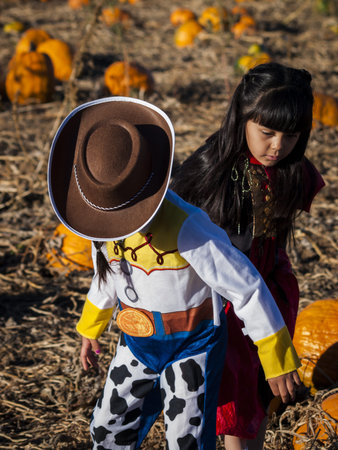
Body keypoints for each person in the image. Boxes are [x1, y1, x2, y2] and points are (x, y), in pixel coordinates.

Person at [47, 96, 302, 450]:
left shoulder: (188, 228)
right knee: (107, 428)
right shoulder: (101, 222)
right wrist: (91, 327)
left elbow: (245, 287)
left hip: (191, 345)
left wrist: (275, 357)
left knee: (186, 439)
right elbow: (108, 277)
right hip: (136, 342)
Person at [171, 62, 325, 450]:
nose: (278, 146)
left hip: (271, 287)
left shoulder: (292, 170)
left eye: (291, 136)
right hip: (226, 297)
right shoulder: (213, 169)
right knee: (234, 392)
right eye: (267, 132)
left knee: (258, 389)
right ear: (242, 118)